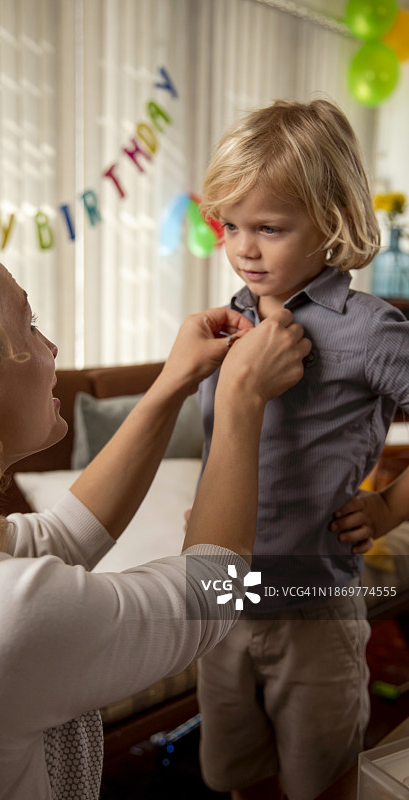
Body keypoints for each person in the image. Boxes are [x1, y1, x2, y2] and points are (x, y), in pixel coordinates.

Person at [0, 209, 310, 800]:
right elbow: (215, 591)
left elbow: (64, 535)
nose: (51, 346)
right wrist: (241, 398)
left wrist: (173, 382)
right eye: (30, 325)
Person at [194, 98, 409, 800]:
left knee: (319, 780)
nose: (244, 248)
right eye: (232, 226)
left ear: (334, 223)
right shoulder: (230, 316)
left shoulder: (370, 330)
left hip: (312, 601)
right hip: (221, 596)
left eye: (270, 228)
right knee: (238, 775)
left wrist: (385, 509)